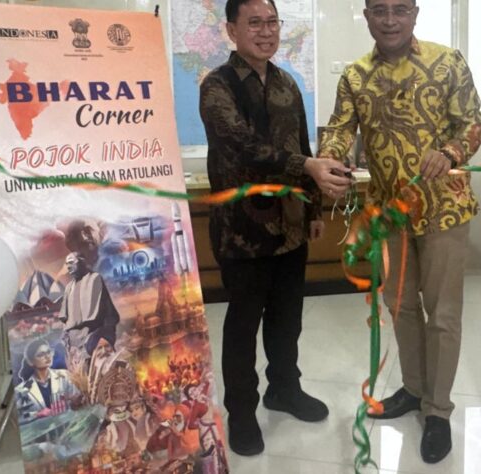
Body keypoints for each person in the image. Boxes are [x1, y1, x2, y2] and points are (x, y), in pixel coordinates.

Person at [318, 0, 481, 464]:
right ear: (367, 16)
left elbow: (472, 124)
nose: (389, 20)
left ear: (415, 13)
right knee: (401, 307)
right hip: (389, 213)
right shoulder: (355, 76)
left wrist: (450, 152)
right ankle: (413, 389)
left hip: (445, 209)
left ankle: (438, 410)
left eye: (399, 10)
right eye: (379, 11)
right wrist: (331, 158)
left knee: (443, 315)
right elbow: (339, 129)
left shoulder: (447, 62)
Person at [199, 0, 353, 456]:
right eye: (254, 23)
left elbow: (302, 145)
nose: (266, 32)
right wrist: (305, 165)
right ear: (232, 30)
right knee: (244, 324)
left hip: (290, 229)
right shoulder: (217, 86)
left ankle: (284, 389)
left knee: (287, 320)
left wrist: (314, 210)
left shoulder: (288, 83)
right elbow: (242, 145)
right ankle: (242, 413)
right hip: (241, 232)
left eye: (272, 22)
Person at [59, 251, 121, 372]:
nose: (68, 267)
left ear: (81, 262)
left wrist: (102, 336)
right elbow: (64, 316)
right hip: (75, 342)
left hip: (94, 336)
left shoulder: (94, 279)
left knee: (104, 371)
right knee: (84, 374)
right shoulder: (69, 287)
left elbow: (96, 314)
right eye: (67, 264)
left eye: (71, 262)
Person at [15, 338, 82, 423]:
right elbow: (19, 416)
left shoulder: (64, 376)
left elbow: (77, 399)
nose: (47, 356)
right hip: (41, 429)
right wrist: (37, 414)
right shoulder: (21, 390)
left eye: (48, 352)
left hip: (69, 424)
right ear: (30, 362)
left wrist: (74, 401)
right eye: (41, 355)